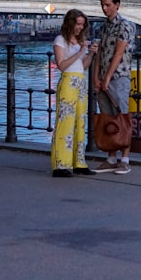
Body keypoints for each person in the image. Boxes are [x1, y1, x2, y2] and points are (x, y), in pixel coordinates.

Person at [92, 0, 136, 174]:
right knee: (108, 117)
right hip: (103, 77)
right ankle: (111, 157)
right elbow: (100, 52)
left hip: (119, 76)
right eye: (103, 5)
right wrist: (96, 75)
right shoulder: (102, 27)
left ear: (117, 5)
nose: (105, 8)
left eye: (108, 5)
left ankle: (125, 159)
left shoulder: (125, 25)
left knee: (122, 115)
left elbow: (119, 53)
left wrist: (108, 76)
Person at [51, 9, 97, 177]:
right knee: (66, 121)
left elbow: (82, 66)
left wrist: (90, 53)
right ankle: (60, 164)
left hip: (80, 81)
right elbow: (62, 65)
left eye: (82, 25)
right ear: (70, 23)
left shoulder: (79, 41)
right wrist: (79, 52)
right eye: (78, 24)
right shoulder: (60, 40)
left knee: (80, 121)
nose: (80, 28)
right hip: (68, 82)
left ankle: (79, 161)